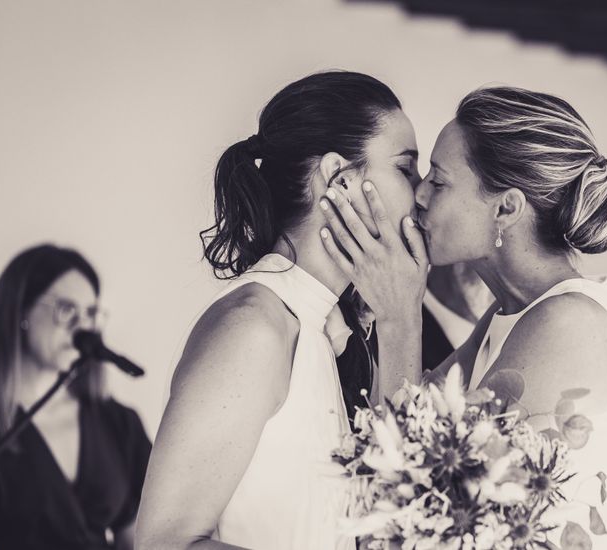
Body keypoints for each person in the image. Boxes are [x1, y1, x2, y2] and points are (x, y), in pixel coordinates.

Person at [319, 86, 607, 549]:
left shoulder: (568, 322)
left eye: (438, 180)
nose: (418, 194)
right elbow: (388, 433)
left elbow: (411, 498)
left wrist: (401, 315)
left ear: (507, 208)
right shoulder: (512, 312)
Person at [135, 71, 425, 550]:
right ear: (340, 178)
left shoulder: (332, 330)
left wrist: (402, 318)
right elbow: (165, 541)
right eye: (405, 169)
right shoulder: (253, 327)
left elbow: (387, 521)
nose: (421, 191)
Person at [0, 244, 151, 550]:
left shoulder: (118, 422)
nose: (82, 327)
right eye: (66, 309)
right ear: (21, 311)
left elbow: (143, 540)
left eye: (90, 313)